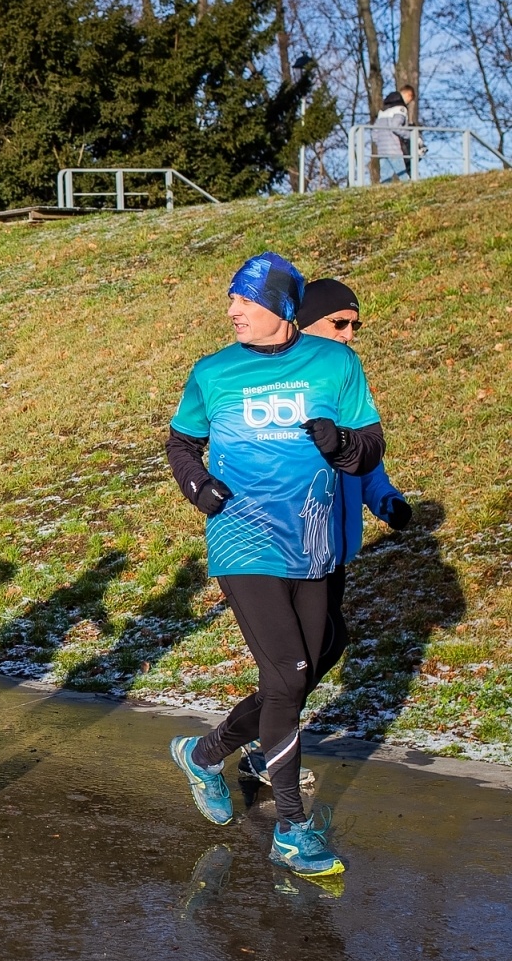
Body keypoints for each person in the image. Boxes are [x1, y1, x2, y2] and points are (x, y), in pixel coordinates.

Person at [165, 253, 385, 879]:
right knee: (288, 674)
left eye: (246, 300)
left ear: (282, 308)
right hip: (242, 540)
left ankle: (205, 753)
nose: (232, 310)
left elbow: (370, 446)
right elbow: (182, 442)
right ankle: (292, 827)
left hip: (312, 542)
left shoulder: (335, 364)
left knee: (300, 674)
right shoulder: (213, 372)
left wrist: (342, 444)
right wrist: (197, 486)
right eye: (232, 298)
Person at [373, 90, 416, 183]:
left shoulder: (383, 111)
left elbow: (374, 133)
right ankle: (410, 189)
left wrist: (379, 143)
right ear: (409, 96)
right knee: (403, 175)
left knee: (385, 178)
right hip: (394, 149)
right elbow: (395, 126)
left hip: (382, 149)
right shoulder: (400, 109)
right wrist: (410, 135)